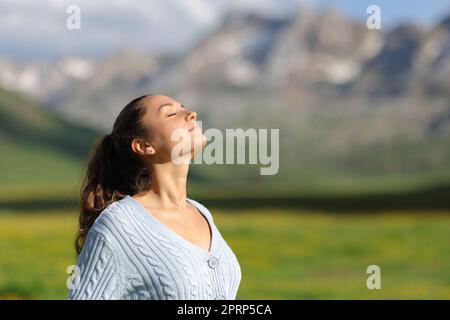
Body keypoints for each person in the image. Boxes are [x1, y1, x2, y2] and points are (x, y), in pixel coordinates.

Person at [67, 94, 241, 300]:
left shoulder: (201, 212)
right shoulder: (119, 225)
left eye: (184, 107)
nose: (191, 114)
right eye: (171, 113)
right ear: (143, 146)